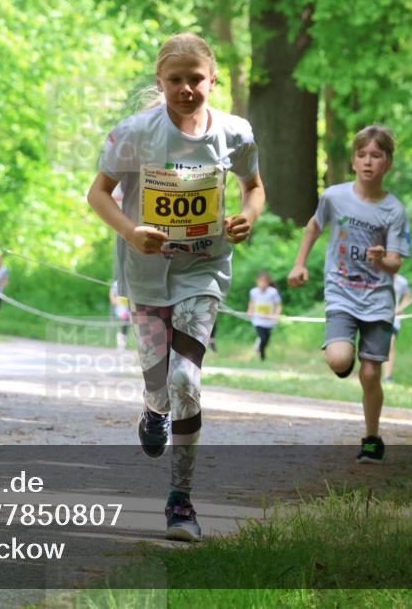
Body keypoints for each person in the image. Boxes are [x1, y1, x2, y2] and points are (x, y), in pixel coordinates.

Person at [87, 33, 264, 541]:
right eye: (175, 80)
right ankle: (152, 407)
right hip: (145, 272)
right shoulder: (136, 133)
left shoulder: (236, 133)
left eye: (195, 80)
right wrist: (130, 230)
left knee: (187, 381)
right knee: (159, 384)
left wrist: (247, 217)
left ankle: (180, 502)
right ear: (160, 82)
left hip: (203, 270)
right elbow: (98, 194)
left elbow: (254, 187)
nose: (186, 89)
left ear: (212, 80)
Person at [288, 124, 411, 464]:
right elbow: (314, 226)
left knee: (371, 374)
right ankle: (343, 356)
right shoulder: (334, 197)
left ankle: (372, 438)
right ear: (354, 162)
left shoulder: (394, 210)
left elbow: (396, 263)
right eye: (362, 155)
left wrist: (381, 259)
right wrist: (300, 264)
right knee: (340, 360)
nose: (368, 161)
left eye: (376, 155)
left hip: (378, 300)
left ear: (388, 163)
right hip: (341, 291)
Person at [383, 273, 412, 383]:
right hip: (377, 316)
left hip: (393, 319)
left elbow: (408, 296)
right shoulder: (378, 276)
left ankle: (387, 377)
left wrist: (400, 308)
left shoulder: (402, 281)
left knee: (390, 344)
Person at [246, 271, 282, 361]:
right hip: (258, 320)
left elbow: (278, 305)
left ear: (268, 282)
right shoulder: (253, 292)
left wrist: (276, 315)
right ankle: (262, 356)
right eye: (260, 281)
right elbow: (252, 303)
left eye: (264, 281)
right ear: (257, 282)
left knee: (266, 339)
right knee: (262, 337)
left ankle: (260, 349)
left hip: (269, 321)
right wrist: (250, 311)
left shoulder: (273, 292)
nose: (262, 284)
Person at [109, 279, 131, 349]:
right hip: (121, 308)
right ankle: (122, 337)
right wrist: (122, 301)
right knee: (126, 318)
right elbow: (112, 298)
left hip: (131, 307)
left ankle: (123, 337)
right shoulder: (116, 284)